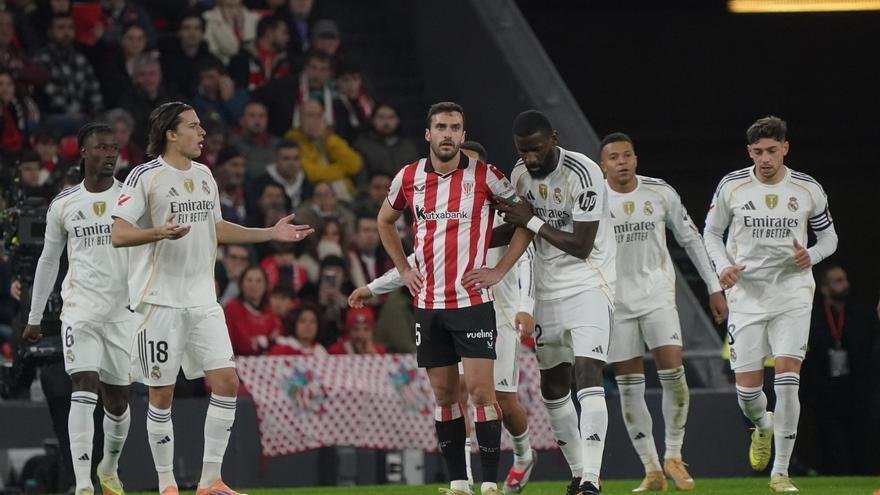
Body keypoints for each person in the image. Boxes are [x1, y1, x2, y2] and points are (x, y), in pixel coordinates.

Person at [110, 101, 314, 495]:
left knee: (226, 382)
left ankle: (210, 481)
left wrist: (269, 233)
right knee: (161, 393)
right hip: (158, 301)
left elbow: (216, 228)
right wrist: (157, 233)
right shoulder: (144, 176)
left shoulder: (205, 175)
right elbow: (119, 233)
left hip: (203, 300)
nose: (202, 133)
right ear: (171, 133)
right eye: (194, 126)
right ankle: (167, 484)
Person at [377, 102, 532, 495]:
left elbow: (526, 221)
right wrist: (404, 270)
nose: (448, 134)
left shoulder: (485, 176)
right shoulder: (408, 176)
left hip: (472, 304)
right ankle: (459, 482)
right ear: (428, 133)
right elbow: (384, 221)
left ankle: (490, 483)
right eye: (441, 127)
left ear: (464, 135)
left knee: (482, 394)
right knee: (445, 397)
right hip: (429, 306)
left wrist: (499, 271)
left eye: (455, 128)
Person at [478, 110, 617, 495]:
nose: (531, 158)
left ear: (553, 138)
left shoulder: (584, 173)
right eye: (524, 151)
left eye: (537, 149)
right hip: (546, 289)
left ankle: (592, 479)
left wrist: (532, 220)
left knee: (587, 374)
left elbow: (581, 244)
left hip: (590, 281)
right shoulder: (520, 174)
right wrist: (463, 241)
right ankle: (577, 473)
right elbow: (516, 226)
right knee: (553, 388)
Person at [703, 116, 838, 493]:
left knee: (788, 380)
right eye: (758, 151)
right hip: (746, 296)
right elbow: (711, 233)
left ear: (785, 149)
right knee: (747, 393)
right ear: (749, 152)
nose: (765, 158)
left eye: (772, 151)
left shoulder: (807, 188)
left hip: (792, 293)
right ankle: (762, 425)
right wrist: (723, 266)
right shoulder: (732, 185)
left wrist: (811, 255)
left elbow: (830, 239)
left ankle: (780, 472)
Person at [599, 132, 728, 491]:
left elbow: (691, 238)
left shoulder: (659, 192)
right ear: (603, 165)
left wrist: (714, 286)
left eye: (627, 155)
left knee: (674, 372)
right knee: (629, 387)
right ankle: (652, 469)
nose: (622, 162)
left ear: (636, 159)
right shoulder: (593, 199)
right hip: (616, 303)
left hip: (656, 295)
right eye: (614, 157)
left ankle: (673, 454)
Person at [23, 123, 131, 495]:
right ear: (83, 152)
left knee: (117, 400)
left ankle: (109, 468)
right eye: (101, 147)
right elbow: (48, 260)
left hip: (123, 313)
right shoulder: (64, 203)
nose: (110, 154)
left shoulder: (131, 199)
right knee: (83, 385)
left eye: (113, 148)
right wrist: (35, 317)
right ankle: (83, 484)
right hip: (80, 309)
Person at [800, 265, 877, 475]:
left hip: (856, 387)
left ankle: (861, 474)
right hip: (825, 390)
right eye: (838, 281)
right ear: (825, 288)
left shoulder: (861, 314)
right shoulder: (813, 317)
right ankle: (833, 475)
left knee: (859, 437)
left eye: (845, 279)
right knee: (830, 440)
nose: (845, 285)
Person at [285, 99, 363, 201]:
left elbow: (355, 165)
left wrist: (328, 140)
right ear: (300, 119)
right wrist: (343, 170)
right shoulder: (293, 140)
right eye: (310, 116)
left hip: (348, 195)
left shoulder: (329, 137)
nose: (315, 121)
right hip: (318, 197)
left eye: (319, 116)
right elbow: (312, 174)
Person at [223, 265, 281, 356]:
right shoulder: (232, 308)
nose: (254, 285)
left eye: (259, 280)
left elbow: (276, 337)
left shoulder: (269, 310)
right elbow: (235, 342)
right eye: (249, 280)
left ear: (266, 285)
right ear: (241, 284)